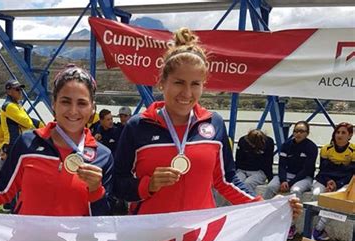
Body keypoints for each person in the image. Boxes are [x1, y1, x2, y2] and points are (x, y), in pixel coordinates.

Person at [113, 28, 302, 218]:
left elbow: (226, 180)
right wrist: (149, 185)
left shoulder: (214, 123)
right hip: (151, 235)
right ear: (162, 82)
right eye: (179, 82)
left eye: (195, 84)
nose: (187, 93)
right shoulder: (138, 126)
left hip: (200, 234)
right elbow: (117, 185)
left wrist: (264, 207)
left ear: (204, 85)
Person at [0, 64, 113, 217]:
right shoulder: (28, 143)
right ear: (54, 104)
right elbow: (2, 190)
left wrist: (96, 190)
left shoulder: (102, 156)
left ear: (92, 108)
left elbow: (100, 220)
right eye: (65, 102)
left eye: (82, 103)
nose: (73, 111)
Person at [263, 120, 318, 239]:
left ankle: (291, 226)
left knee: (296, 191)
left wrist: (290, 183)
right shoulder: (286, 145)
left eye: (301, 131)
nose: (298, 134)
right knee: (270, 187)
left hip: (304, 177)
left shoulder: (311, 147)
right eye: (296, 131)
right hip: (286, 176)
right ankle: (262, 217)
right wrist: (283, 180)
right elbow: (282, 165)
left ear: (307, 133)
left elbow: (307, 169)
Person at [310, 122, 354, 241]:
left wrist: (337, 184)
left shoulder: (353, 151)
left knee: (338, 198)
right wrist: (329, 181)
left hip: (344, 182)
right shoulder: (326, 149)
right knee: (316, 194)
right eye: (337, 132)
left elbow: (351, 174)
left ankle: (318, 229)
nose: (339, 135)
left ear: (350, 135)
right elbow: (323, 170)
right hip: (325, 179)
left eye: (343, 133)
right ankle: (310, 228)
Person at [0, 79, 39, 158]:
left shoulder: (18, 104)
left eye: (20, 89)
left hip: (19, 143)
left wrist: (44, 126)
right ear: (9, 92)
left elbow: (29, 119)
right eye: (17, 89)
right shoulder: (9, 106)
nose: (20, 91)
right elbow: (28, 123)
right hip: (12, 144)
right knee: (10, 170)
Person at [235, 129, 274, 194]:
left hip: (259, 171)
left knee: (248, 183)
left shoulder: (269, 142)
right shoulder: (242, 140)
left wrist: (270, 178)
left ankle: (248, 202)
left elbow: (269, 162)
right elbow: (238, 159)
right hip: (242, 170)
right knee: (237, 183)